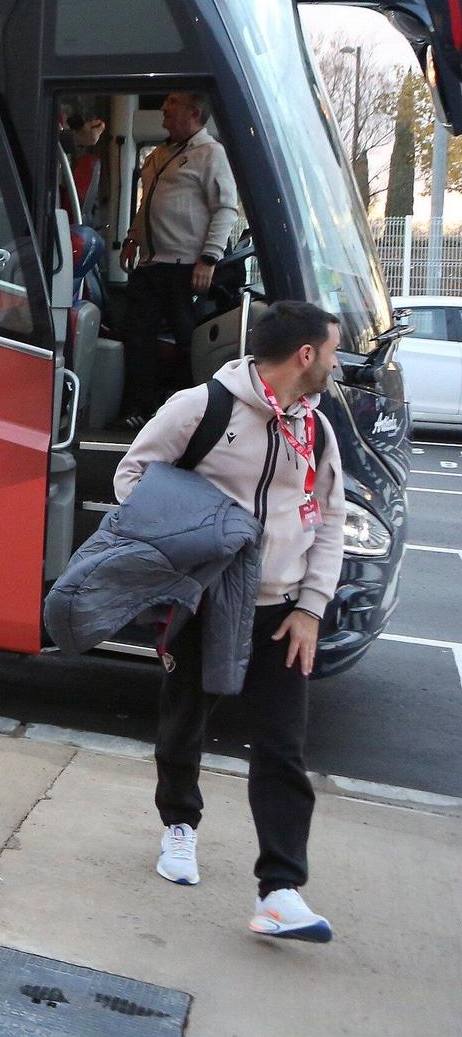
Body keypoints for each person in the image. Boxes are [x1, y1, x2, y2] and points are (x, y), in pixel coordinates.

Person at [114, 300, 346, 943]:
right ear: (305, 355)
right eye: (331, 349)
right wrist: (201, 536)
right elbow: (131, 476)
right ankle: (179, 828)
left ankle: (280, 891)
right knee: (187, 717)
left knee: (283, 747)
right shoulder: (203, 408)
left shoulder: (316, 429)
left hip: (281, 612)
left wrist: (311, 608)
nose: (335, 360)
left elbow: (326, 521)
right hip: (210, 599)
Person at [117, 90, 242, 427]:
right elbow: (149, 204)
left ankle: (196, 416)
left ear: (194, 112)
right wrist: (132, 238)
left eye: (172, 102)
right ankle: (138, 410)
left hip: (186, 267)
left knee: (190, 343)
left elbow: (226, 207)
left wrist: (209, 257)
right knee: (138, 338)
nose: (163, 107)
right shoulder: (160, 153)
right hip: (152, 265)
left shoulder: (210, 153)